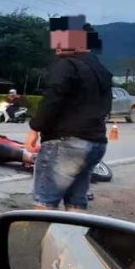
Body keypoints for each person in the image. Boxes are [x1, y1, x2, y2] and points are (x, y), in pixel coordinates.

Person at [26, 17, 112, 212]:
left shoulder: (67, 64)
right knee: (76, 202)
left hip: (66, 142)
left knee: (45, 202)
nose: (56, 43)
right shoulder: (100, 69)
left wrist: (34, 128)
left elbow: (53, 97)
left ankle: (35, 240)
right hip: (95, 143)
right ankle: (71, 239)